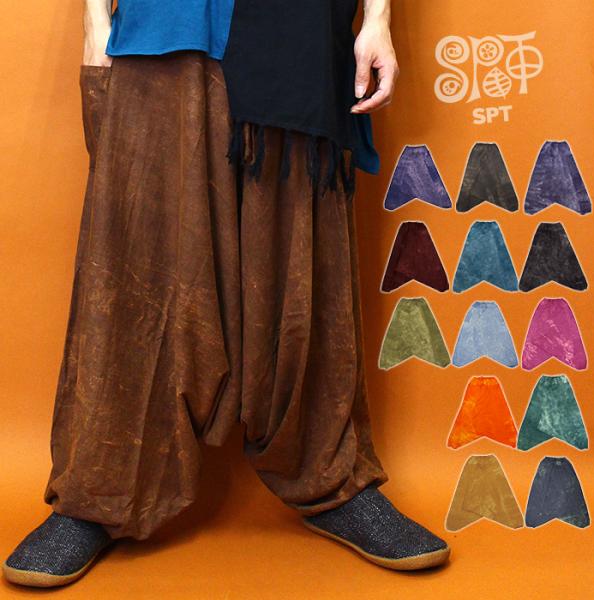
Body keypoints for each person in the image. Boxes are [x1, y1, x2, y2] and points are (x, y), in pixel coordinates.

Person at [3, 0, 450, 588]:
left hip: (300, 28)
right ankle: (99, 492)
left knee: (301, 266)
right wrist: (95, 22)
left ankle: (332, 476)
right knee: (138, 259)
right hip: (164, 23)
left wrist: (377, 21)